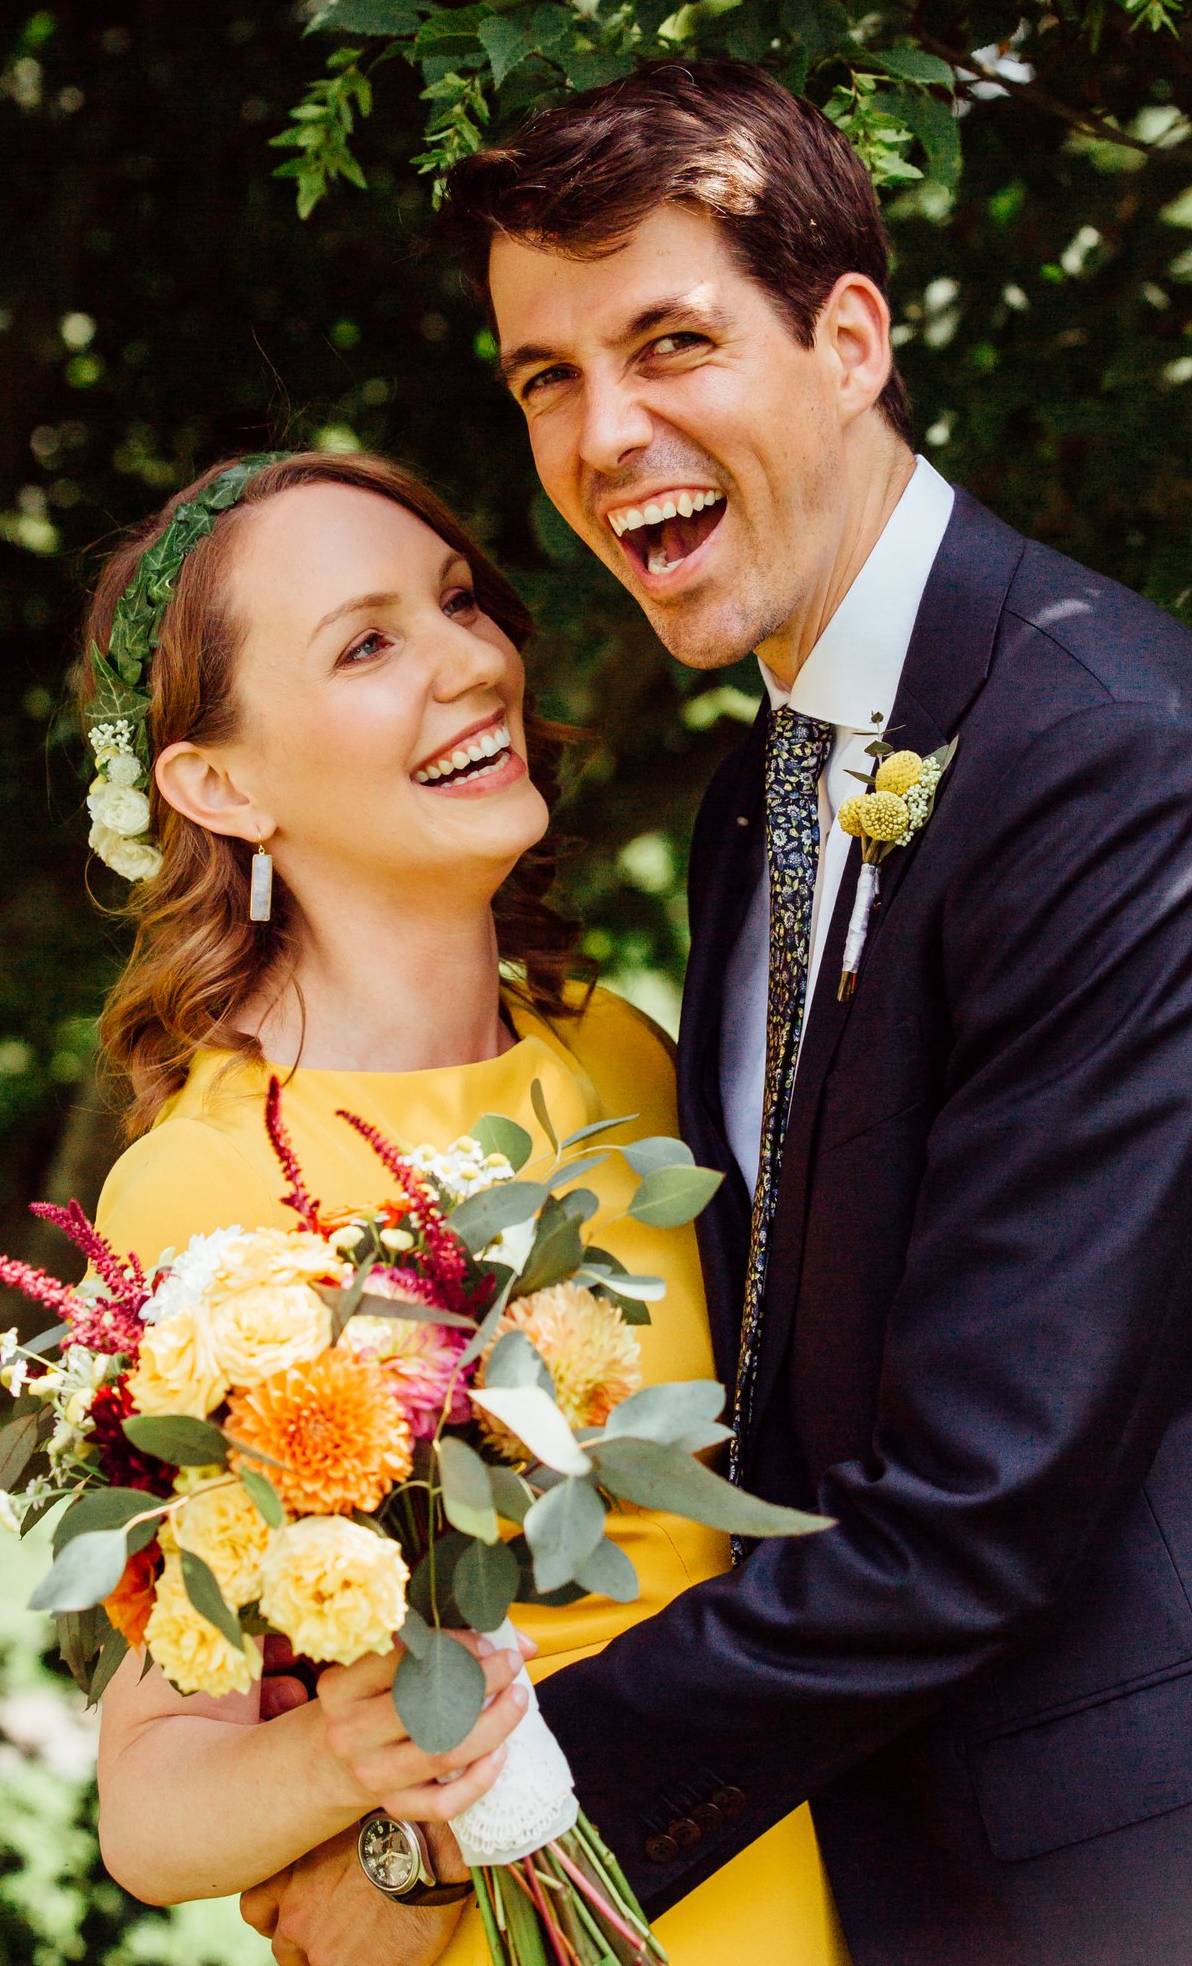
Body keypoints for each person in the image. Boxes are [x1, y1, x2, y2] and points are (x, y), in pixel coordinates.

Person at [261, 60, 1192, 1966]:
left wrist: (470, 1839)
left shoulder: (1112, 766)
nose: (607, 432)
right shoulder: (772, 786)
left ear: (848, 339)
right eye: (547, 379)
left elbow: (975, 1503)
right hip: (900, 1866)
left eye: (672, 343)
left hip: (1166, 1874)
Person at [83, 448, 849, 1965]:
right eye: (367, 644)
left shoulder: (618, 1047)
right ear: (218, 786)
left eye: (454, 603)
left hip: (821, 1882)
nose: (470, 661)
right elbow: (157, 1792)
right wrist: (352, 1776)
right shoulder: (210, 1190)